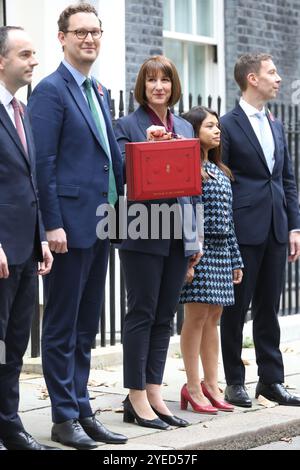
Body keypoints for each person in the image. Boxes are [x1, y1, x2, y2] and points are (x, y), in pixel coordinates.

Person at [27, 3, 127, 449]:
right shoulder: (50, 91)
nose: (90, 39)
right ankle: (63, 416)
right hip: (68, 228)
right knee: (63, 325)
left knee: (87, 325)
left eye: (96, 32)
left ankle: (83, 407)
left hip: (102, 223)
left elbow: (108, 158)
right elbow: (42, 164)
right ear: (62, 38)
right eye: (80, 32)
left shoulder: (99, 91)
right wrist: (51, 224)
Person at [114, 55, 202, 430]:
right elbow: (121, 175)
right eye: (151, 81)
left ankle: (153, 391)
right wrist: (148, 148)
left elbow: (194, 188)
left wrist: (194, 237)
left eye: (164, 80)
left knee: (165, 316)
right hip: (141, 230)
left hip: (178, 233)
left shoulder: (183, 125)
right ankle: (134, 396)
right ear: (142, 86)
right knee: (142, 313)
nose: (158, 87)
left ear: (173, 85)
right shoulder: (126, 125)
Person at [220, 53, 300, 407]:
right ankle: (234, 381)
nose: (278, 78)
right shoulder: (228, 124)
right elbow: (222, 178)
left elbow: (287, 180)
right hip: (243, 228)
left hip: (277, 229)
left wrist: (295, 226)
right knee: (235, 309)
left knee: (269, 307)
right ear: (252, 79)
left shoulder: (277, 124)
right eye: (272, 72)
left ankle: (271, 380)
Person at [0, 26, 55, 450]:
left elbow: (31, 182)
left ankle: (9, 422)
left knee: (15, 343)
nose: (33, 61)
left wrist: (39, 238)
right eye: (25, 54)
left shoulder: (22, 111)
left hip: (25, 249)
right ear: (1, 61)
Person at [179, 106, 243, 414]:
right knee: (196, 318)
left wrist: (236, 259)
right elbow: (187, 214)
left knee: (214, 318)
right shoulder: (188, 168)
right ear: (194, 131)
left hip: (221, 252)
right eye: (209, 126)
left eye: (218, 126)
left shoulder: (221, 171)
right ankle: (192, 386)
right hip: (199, 251)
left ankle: (212, 384)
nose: (217, 131)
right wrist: (189, 258)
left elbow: (229, 221)